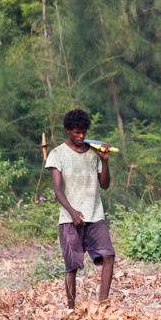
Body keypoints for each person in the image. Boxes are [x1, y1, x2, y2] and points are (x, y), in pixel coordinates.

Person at [45, 109, 115, 308]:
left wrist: (105, 161)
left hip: (95, 214)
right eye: (77, 132)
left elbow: (104, 185)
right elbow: (58, 189)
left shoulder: (94, 152)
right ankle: (71, 309)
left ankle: (103, 305)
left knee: (108, 255)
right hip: (70, 218)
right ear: (68, 130)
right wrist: (72, 211)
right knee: (72, 265)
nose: (81, 136)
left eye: (84, 132)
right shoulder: (58, 154)